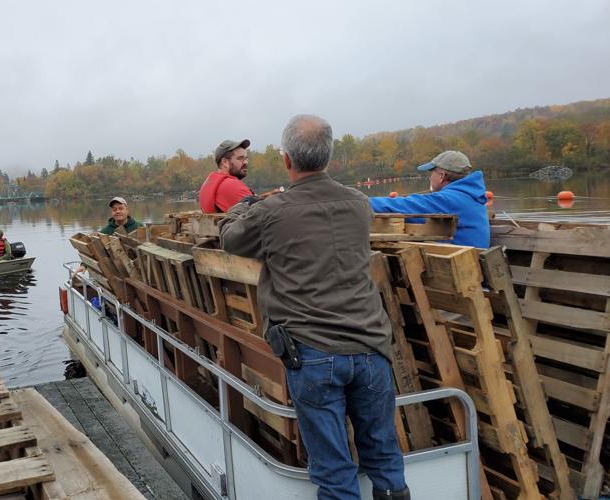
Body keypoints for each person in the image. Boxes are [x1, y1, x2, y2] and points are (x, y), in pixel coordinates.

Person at [220, 114, 408, 500]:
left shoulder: (272, 212)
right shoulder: (358, 204)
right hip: (372, 350)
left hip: (313, 354)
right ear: (329, 158)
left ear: (286, 160)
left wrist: (242, 209)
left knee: (333, 469)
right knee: (385, 456)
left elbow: (232, 241)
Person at [369, 150, 489, 248]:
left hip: (465, 270)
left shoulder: (447, 200)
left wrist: (357, 202)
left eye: (431, 172)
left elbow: (406, 205)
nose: (430, 177)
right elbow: (414, 207)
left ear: (441, 176)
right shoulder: (470, 196)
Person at [199, 139, 254, 213]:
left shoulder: (210, 183)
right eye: (240, 158)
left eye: (246, 158)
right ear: (225, 162)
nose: (246, 162)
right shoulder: (231, 185)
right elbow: (261, 215)